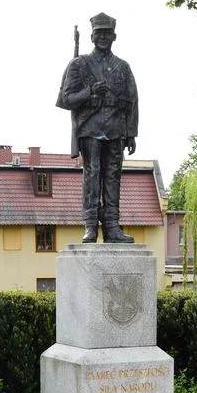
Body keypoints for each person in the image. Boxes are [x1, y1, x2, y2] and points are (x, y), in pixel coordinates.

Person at [56, 12, 138, 244]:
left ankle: (112, 226)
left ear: (114, 36)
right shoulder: (79, 65)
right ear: (92, 36)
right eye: (99, 33)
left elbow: (133, 101)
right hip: (90, 128)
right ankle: (90, 225)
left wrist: (131, 133)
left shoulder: (123, 67)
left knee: (113, 177)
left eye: (107, 33)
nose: (103, 37)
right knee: (92, 176)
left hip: (116, 129)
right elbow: (66, 99)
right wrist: (91, 91)